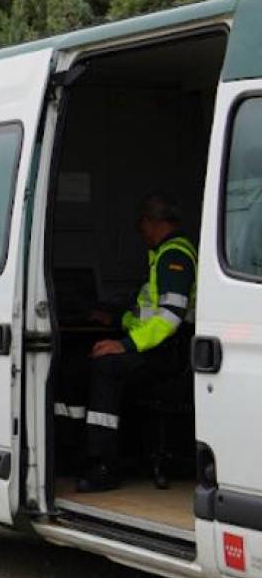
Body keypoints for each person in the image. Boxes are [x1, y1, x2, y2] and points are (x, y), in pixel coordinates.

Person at [64, 192, 198, 493]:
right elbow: (146, 314)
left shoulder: (174, 256)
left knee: (105, 368)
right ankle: (68, 450)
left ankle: (104, 464)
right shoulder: (162, 255)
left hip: (168, 354)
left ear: (154, 222)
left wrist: (126, 345)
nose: (139, 229)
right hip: (154, 346)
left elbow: (171, 316)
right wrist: (113, 320)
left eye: (142, 222)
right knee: (73, 367)